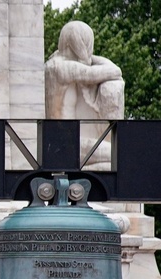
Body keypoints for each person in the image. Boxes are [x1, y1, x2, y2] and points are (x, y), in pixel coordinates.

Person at [45, 20, 124, 169]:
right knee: (118, 155)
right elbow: (114, 70)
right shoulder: (59, 67)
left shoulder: (56, 64)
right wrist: (89, 58)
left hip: (69, 140)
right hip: (64, 143)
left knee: (116, 157)